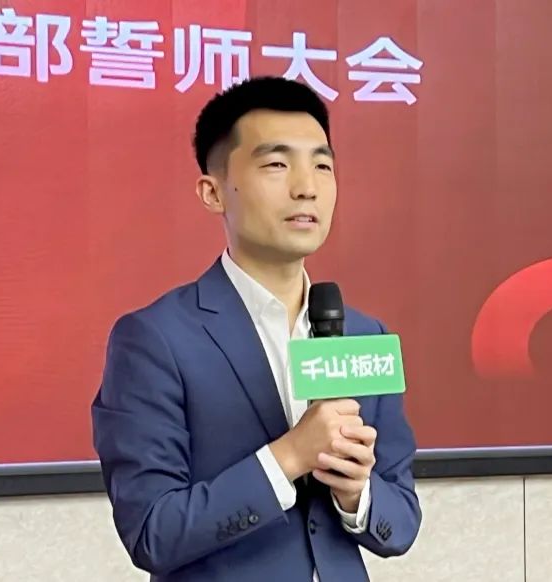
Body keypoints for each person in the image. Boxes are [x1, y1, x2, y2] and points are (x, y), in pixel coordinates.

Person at [91, 76, 422, 582]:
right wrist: (287, 457)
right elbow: (152, 532)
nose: (306, 187)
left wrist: (357, 493)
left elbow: (401, 523)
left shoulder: (363, 335)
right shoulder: (155, 340)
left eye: (322, 165)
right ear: (213, 192)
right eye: (276, 164)